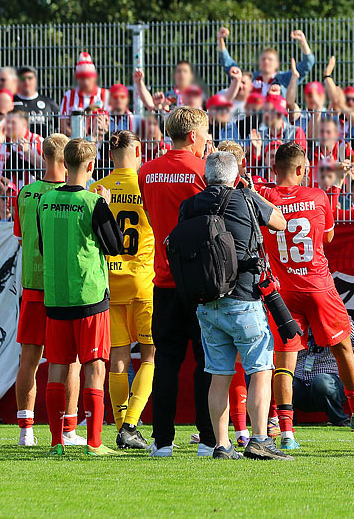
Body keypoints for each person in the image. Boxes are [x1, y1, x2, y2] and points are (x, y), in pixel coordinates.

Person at [257, 143, 354, 450]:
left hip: (283, 290)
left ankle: (287, 432)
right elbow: (329, 236)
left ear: (274, 169)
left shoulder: (264, 196)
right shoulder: (317, 196)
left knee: (284, 358)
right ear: (299, 170)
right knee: (342, 346)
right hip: (318, 285)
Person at [181, 150, 292, 461]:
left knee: (218, 374)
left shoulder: (189, 205)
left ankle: (221, 444)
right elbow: (280, 222)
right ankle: (259, 440)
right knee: (260, 369)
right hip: (244, 298)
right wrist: (253, 192)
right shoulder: (246, 198)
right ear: (235, 175)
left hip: (206, 302)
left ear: (205, 178)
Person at [137, 107, 216, 457]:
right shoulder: (202, 170)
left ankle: (162, 440)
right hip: (200, 282)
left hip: (164, 279)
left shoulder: (146, 172)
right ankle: (208, 438)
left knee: (165, 362)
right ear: (194, 136)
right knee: (207, 362)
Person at [38, 138, 124, 456]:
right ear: (90, 167)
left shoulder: (45, 202)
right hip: (89, 296)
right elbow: (115, 246)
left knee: (58, 367)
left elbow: (44, 247)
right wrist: (107, 203)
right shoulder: (93, 202)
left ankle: (57, 443)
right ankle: (94, 443)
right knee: (94, 368)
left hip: (56, 297)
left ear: (64, 163)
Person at [12, 133, 85, 448]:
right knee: (69, 360)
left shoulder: (25, 193)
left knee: (28, 358)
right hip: (62, 287)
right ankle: (67, 430)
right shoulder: (74, 196)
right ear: (66, 157)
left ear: (43, 156)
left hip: (32, 285)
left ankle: (26, 431)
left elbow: (20, 236)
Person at [91, 131, 156, 450]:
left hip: (108, 280)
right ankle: (130, 423)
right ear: (139, 150)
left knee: (117, 357)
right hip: (142, 279)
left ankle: (119, 425)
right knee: (149, 354)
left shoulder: (96, 188)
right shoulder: (147, 184)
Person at [293, 322, 354, 426]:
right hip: (301, 382)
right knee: (287, 383)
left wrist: (335, 316)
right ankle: (287, 422)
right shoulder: (299, 317)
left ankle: (340, 420)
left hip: (331, 382)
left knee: (321, 381)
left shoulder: (331, 314)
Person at [217, 26, 315, 96]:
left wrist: (303, 42)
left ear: (277, 64)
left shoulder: (284, 78)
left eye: (270, 59)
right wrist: (220, 40)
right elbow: (230, 66)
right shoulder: (251, 78)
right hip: (252, 122)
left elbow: (307, 64)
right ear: (259, 62)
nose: (266, 62)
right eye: (263, 59)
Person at [59, 53, 108, 133]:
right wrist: (78, 138)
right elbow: (63, 125)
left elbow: (110, 123)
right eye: (82, 78)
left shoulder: (105, 94)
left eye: (88, 77)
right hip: (76, 141)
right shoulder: (69, 95)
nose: (85, 82)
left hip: (100, 141)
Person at [13, 66, 57, 138]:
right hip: (16, 147)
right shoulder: (11, 102)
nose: (26, 81)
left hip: (42, 147)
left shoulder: (48, 102)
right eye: (23, 79)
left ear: (35, 80)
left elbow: (60, 125)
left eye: (30, 78)